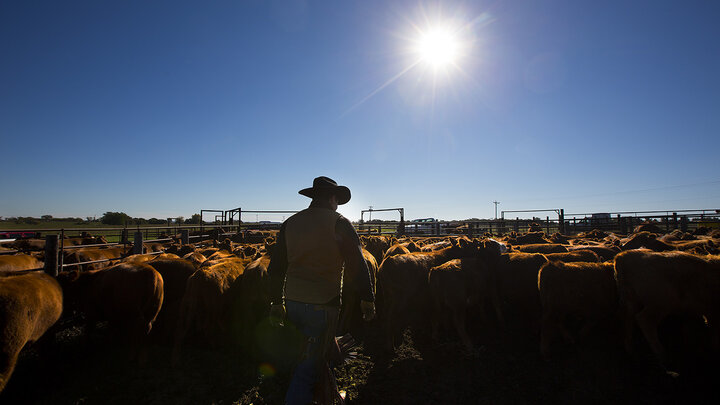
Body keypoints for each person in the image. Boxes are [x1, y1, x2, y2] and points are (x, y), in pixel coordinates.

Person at [268, 176, 376, 405]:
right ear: (332, 197)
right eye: (337, 200)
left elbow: (276, 266)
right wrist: (368, 298)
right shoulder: (339, 222)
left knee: (306, 354)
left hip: (293, 300)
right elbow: (357, 263)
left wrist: (276, 302)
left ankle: (322, 394)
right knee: (309, 364)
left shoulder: (290, 223)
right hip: (323, 304)